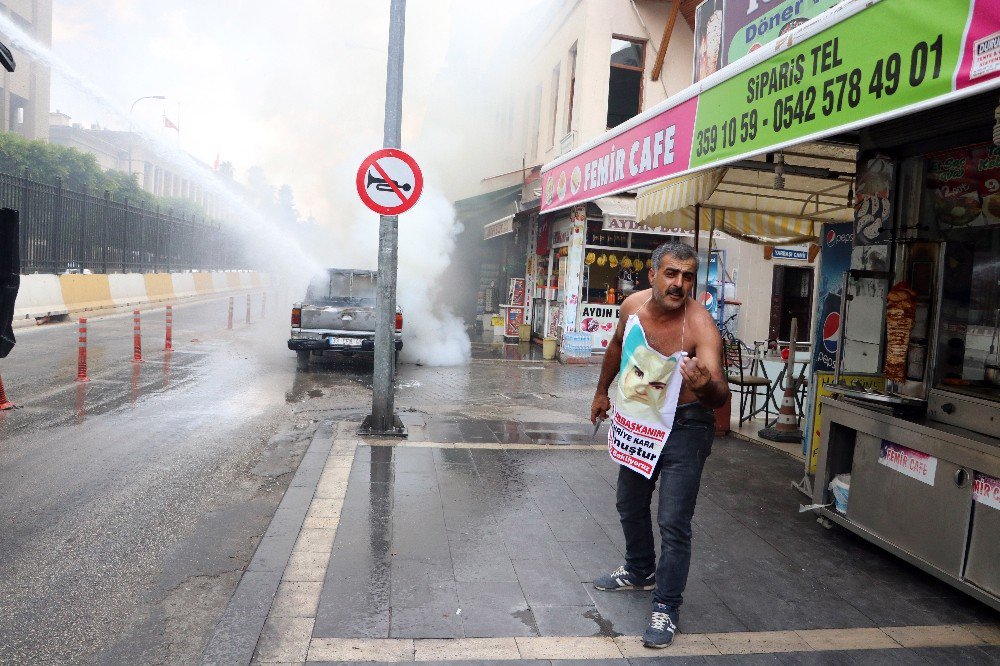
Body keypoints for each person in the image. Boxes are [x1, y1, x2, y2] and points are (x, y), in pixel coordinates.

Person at [590, 241, 729, 649]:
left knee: (673, 521)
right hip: (642, 421)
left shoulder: (701, 325)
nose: (679, 283)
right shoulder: (631, 306)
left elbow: (720, 393)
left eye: (687, 276)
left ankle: (666, 605)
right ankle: (638, 568)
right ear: (652, 275)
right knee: (629, 502)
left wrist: (706, 387)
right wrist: (602, 392)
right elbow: (617, 346)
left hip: (687, 427)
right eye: (671, 273)